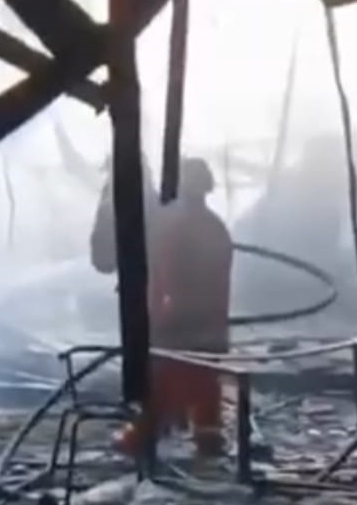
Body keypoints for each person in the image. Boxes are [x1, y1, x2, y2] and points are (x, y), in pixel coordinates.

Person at [89, 157, 233, 457]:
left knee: (161, 389)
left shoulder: (171, 226)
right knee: (206, 389)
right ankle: (208, 437)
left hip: (175, 330)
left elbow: (159, 280)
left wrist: (150, 324)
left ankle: (147, 437)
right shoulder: (216, 227)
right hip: (213, 331)